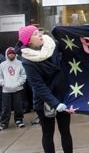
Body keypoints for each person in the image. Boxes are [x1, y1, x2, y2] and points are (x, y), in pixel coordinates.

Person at [15, 25, 73, 153]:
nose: (40, 35)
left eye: (38, 32)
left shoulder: (52, 45)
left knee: (65, 132)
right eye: (35, 34)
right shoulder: (27, 61)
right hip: (44, 102)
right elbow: (39, 86)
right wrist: (55, 104)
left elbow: (72, 43)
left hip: (62, 97)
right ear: (29, 41)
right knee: (48, 134)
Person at [0, 47, 27, 130]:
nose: (11, 55)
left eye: (13, 53)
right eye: (10, 53)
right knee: (5, 107)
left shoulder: (19, 63)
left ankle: (18, 120)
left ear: (15, 54)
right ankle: (4, 123)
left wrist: (18, 84)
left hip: (17, 89)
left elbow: (23, 75)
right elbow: (0, 76)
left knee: (18, 105)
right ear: (7, 54)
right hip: (6, 89)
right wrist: (3, 84)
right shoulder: (2, 65)